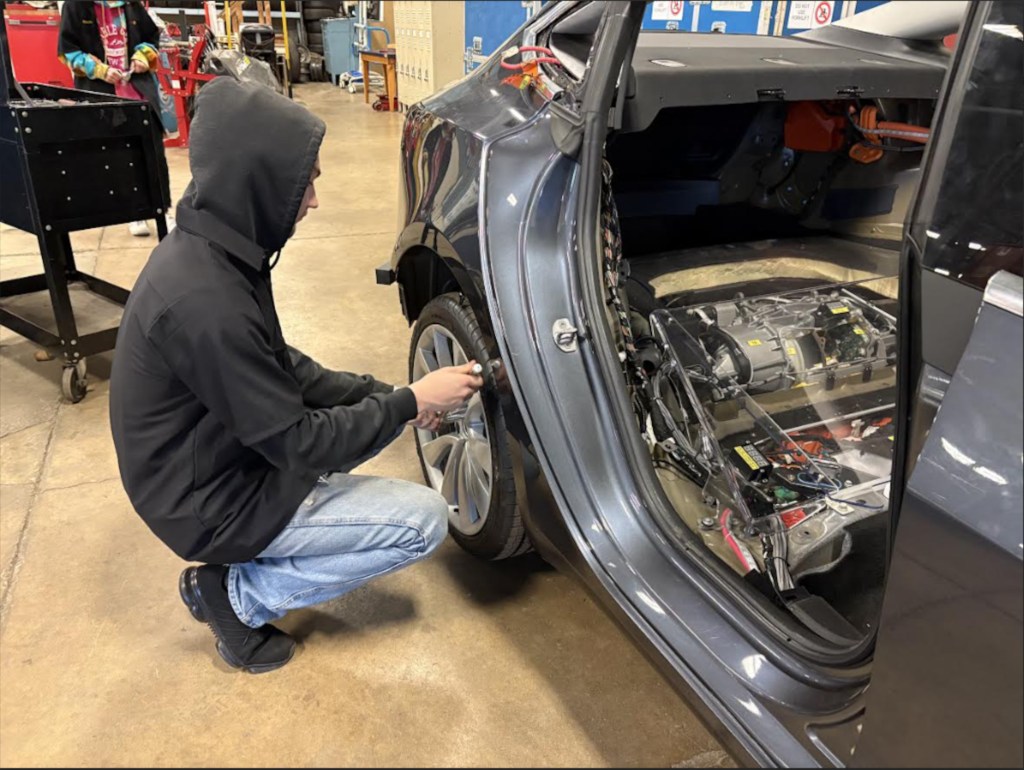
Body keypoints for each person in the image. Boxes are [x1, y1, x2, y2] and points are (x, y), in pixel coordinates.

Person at [109, 77, 483, 673]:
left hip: (213, 457)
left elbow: (282, 366)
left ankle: (245, 573)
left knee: (368, 420)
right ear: (259, 181)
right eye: (303, 182)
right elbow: (299, 443)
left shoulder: (219, 250)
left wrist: (388, 396)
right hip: (206, 501)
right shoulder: (205, 303)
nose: (312, 199)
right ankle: (235, 596)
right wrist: (410, 403)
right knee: (422, 522)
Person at [58, 0, 177, 237]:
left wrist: (143, 56)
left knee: (153, 154)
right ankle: (136, 212)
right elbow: (67, 51)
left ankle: (162, 209)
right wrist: (99, 70)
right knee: (120, 156)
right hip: (103, 94)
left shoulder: (132, 5)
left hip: (139, 92)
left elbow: (151, 38)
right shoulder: (76, 6)